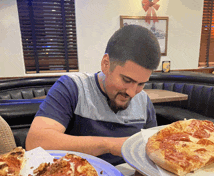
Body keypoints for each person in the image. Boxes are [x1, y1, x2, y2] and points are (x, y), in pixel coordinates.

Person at [26, 25, 161, 165]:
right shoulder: (71, 88)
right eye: (127, 80)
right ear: (106, 64)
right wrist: (109, 145)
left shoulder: (144, 101)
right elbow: (35, 143)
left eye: (141, 84)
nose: (132, 93)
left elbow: (152, 151)